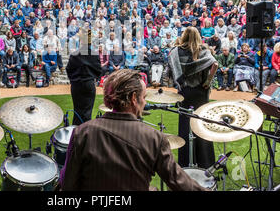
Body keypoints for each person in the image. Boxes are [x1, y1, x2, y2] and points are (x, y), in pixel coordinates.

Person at [59, 69, 207, 191]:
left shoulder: (82, 132)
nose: (145, 102)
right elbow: (179, 182)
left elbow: (67, 185)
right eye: (144, 97)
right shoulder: (154, 138)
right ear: (133, 98)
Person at [168, 27, 218, 168]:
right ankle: (206, 162)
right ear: (197, 36)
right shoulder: (204, 50)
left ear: (184, 36)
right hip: (201, 92)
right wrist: (208, 82)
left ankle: (186, 161)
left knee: (185, 126)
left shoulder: (176, 51)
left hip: (185, 91)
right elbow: (215, 64)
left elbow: (171, 70)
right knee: (201, 125)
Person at [66, 29, 102, 125]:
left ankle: (76, 133)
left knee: (77, 110)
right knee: (87, 111)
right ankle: (85, 133)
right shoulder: (94, 54)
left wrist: (73, 80)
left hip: (76, 85)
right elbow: (99, 71)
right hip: (88, 84)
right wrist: (92, 77)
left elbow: (68, 69)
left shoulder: (75, 54)